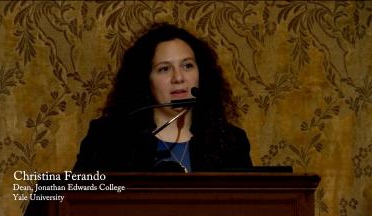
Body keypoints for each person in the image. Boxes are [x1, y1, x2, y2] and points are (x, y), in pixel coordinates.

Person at [73, 23, 252, 172]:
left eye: (187, 66)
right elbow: (73, 201)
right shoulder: (106, 138)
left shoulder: (232, 141)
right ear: (145, 80)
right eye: (164, 69)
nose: (178, 78)